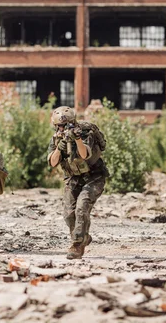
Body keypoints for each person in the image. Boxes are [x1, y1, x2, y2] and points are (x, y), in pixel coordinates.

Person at [47, 106, 109, 259]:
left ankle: (77, 245)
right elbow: (53, 163)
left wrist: (77, 139)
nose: (62, 128)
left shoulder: (85, 132)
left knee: (81, 207)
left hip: (94, 176)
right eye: (59, 126)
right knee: (68, 214)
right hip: (73, 177)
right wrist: (60, 147)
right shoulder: (56, 138)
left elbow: (85, 155)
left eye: (65, 125)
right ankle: (83, 237)